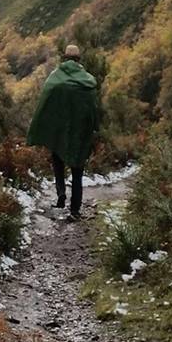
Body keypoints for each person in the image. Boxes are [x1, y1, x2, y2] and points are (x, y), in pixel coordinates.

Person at [25, 44, 101, 221]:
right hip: (80, 134)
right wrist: (94, 129)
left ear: (65, 58)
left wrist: (43, 125)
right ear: (79, 59)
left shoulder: (55, 78)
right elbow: (93, 109)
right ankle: (75, 210)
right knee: (77, 171)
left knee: (57, 160)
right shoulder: (88, 81)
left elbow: (45, 101)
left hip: (60, 131)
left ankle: (60, 193)